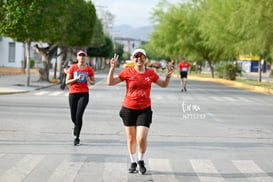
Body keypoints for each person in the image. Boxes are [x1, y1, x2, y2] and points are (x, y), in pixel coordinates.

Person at [107, 48, 173, 175]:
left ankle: (141, 160)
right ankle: (133, 162)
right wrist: (112, 68)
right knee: (131, 138)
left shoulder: (150, 73)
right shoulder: (127, 72)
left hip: (144, 109)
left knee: (141, 137)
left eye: (141, 56)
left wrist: (168, 76)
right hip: (128, 108)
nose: (139, 59)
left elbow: (163, 84)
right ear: (133, 59)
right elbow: (110, 82)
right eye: (136, 56)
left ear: (145, 59)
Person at [65, 50, 95, 146]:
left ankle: (77, 137)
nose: (82, 58)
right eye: (80, 56)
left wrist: (89, 79)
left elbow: (93, 82)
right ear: (77, 57)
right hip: (73, 93)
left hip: (84, 94)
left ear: (86, 57)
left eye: (83, 56)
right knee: (73, 116)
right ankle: (76, 126)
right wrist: (76, 79)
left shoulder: (89, 69)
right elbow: (67, 82)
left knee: (79, 115)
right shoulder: (73, 67)